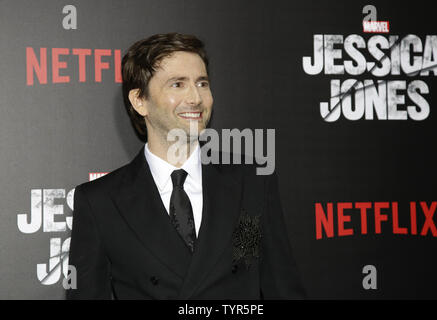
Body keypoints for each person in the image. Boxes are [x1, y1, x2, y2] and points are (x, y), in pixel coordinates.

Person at [66, 32, 305, 299]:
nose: (196, 98)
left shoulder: (250, 181)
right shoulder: (100, 202)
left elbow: (281, 287)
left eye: (202, 83)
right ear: (139, 101)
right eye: (177, 84)